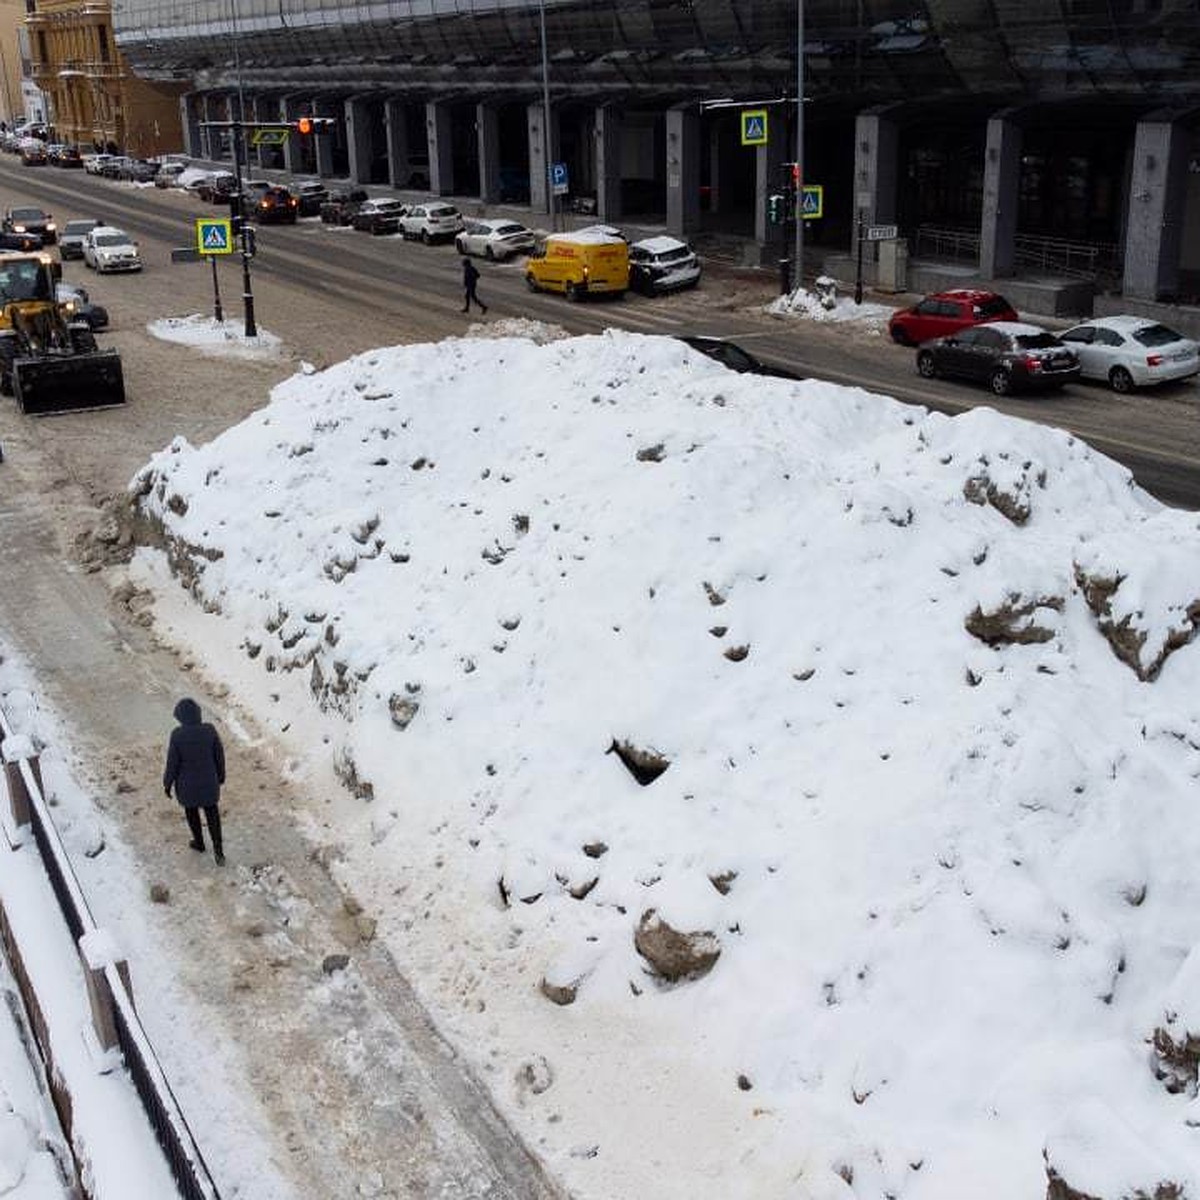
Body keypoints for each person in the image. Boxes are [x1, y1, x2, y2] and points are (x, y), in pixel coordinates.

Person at [163, 697, 226, 864]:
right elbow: (219, 756)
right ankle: (218, 850)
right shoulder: (209, 730)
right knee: (212, 813)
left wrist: (167, 783)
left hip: (187, 787)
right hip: (209, 784)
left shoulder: (177, 735)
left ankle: (199, 842)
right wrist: (221, 775)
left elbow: (172, 763)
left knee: (191, 812)